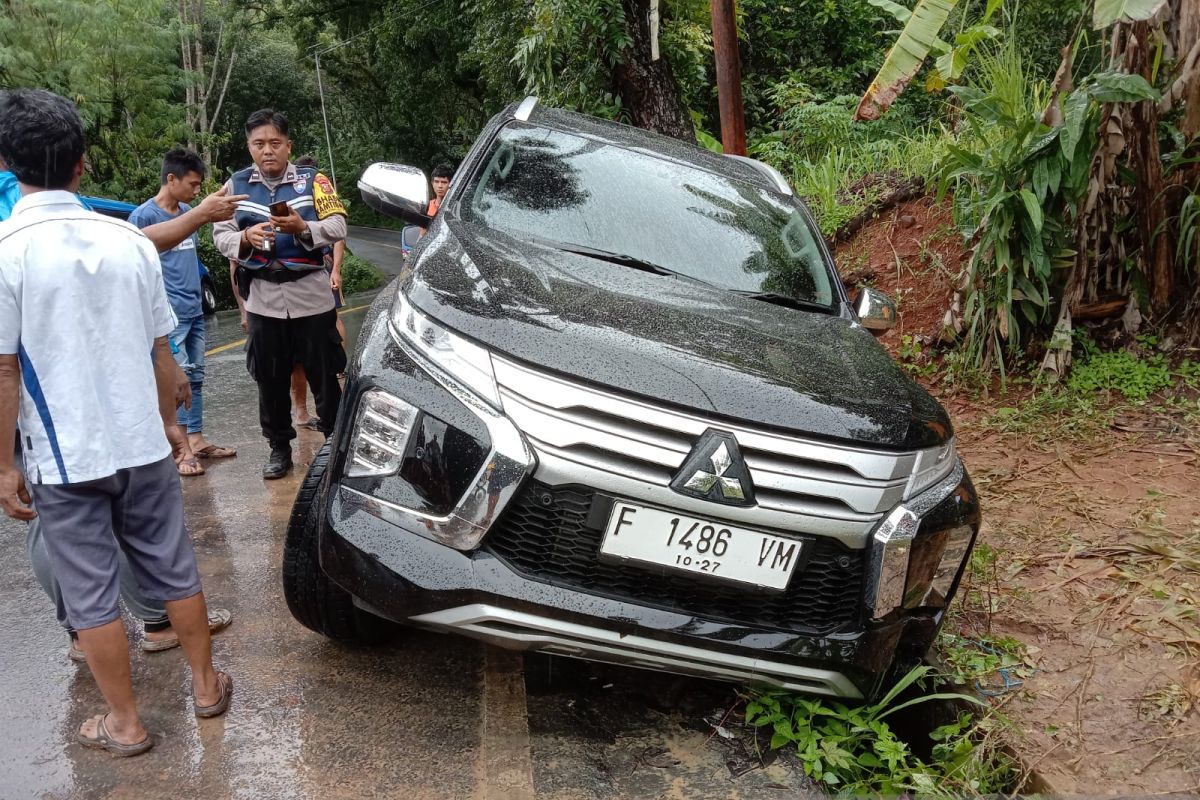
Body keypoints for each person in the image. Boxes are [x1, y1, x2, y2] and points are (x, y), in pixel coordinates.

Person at [0, 88, 231, 757]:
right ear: (82, 165)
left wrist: (5, 464)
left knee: (90, 588)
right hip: (142, 444)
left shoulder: (7, 251)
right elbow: (164, 351)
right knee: (174, 564)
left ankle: (125, 724)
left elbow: (5, 371)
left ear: (12, 167)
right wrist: (171, 423)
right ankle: (207, 684)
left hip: (65, 458)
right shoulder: (128, 240)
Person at [213, 109, 348, 479]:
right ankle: (278, 449)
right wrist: (243, 238)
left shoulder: (313, 181)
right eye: (259, 144)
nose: (267, 150)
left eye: (275, 143)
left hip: (311, 295)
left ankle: (335, 446)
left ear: (289, 146)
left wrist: (304, 227)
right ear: (249, 147)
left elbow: (337, 224)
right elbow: (219, 234)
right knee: (269, 378)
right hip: (263, 300)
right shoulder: (235, 185)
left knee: (325, 372)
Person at [129, 148, 237, 476]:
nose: (195, 191)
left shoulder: (189, 210)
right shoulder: (143, 217)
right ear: (171, 179)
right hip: (169, 316)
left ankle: (198, 439)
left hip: (194, 309)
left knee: (197, 379)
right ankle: (180, 448)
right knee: (173, 382)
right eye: (192, 184)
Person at [290, 154, 347, 430]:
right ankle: (300, 411)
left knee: (327, 338)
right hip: (291, 282)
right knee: (296, 357)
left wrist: (335, 269)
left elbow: (337, 234)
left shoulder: (321, 191)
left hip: (319, 272)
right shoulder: (285, 196)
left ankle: (332, 415)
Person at [419, 162, 453, 237]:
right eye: (437, 182)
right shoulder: (426, 207)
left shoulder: (455, 208)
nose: (440, 186)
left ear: (450, 184)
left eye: (444, 182)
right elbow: (422, 236)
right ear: (432, 183)